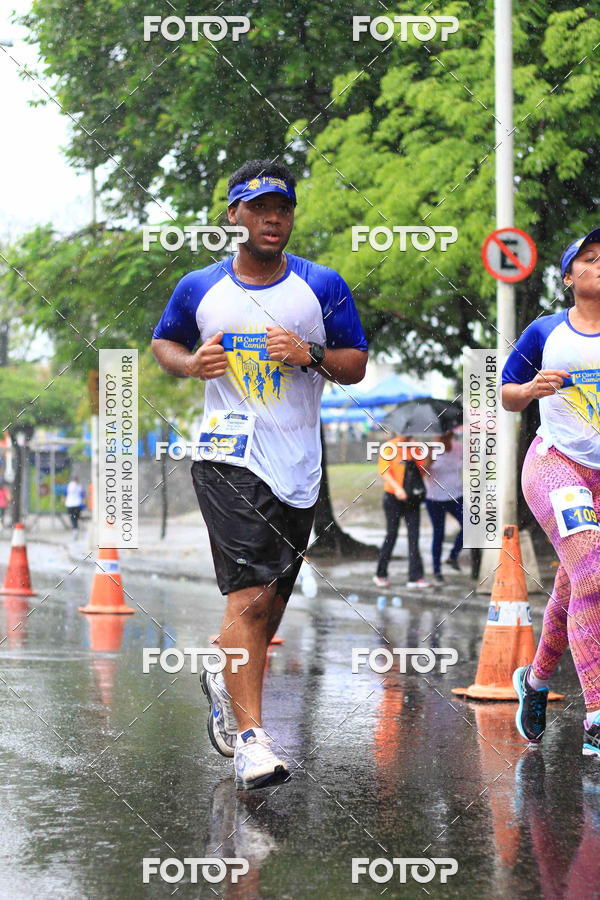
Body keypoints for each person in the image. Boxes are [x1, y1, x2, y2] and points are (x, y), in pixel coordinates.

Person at [152, 159, 368, 789]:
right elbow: (164, 341)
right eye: (259, 208)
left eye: (284, 208)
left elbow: (354, 362)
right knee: (247, 598)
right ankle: (252, 740)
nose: (274, 219)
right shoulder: (200, 288)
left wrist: (313, 355)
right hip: (227, 457)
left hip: (297, 463)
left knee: (272, 603)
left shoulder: (321, 285)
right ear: (234, 216)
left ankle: (223, 675)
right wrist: (192, 365)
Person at [501, 227, 600, 756]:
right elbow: (507, 395)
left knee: (575, 584)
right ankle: (596, 719)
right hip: (555, 464)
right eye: (590, 258)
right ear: (568, 277)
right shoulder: (545, 331)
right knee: (594, 573)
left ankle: (535, 682)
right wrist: (532, 388)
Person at [373, 435, 430, 589]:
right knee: (391, 534)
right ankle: (380, 574)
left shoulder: (415, 447)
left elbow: (422, 472)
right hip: (393, 497)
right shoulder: (389, 447)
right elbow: (383, 471)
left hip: (412, 497)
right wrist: (397, 488)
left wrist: (425, 454)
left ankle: (415, 576)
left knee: (414, 536)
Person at [423, 430, 463, 585]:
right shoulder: (430, 449)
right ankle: (436, 571)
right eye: (440, 436)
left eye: (446, 436)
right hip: (434, 497)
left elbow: (471, 464)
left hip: (455, 495)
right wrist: (430, 456)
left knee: (470, 526)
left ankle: (453, 556)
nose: (442, 439)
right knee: (438, 533)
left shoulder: (459, 448)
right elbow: (424, 471)